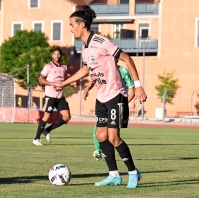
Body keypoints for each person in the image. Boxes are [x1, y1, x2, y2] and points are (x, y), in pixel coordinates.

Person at [55, 5, 147, 188]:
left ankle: (133, 172)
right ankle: (114, 175)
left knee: (114, 137)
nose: (71, 28)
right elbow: (85, 69)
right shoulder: (86, 47)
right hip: (102, 97)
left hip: (116, 94)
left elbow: (127, 58)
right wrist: (64, 83)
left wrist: (137, 86)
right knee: (101, 135)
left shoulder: (101, 42)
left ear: (82, 24)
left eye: (72, 24)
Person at [82, 64, 135, 161]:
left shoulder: (123, 71)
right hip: (104, 103)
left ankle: (131, 168)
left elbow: (132, 89)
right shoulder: (102, 69)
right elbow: (93, 80)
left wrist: (123, 103)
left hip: (118, 103)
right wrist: (86, 89)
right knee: (99, 130)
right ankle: (99, 151)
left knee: (113, 137)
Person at [32, 47, 71, 146]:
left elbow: (66, 79)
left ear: (61, 55)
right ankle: (36, 138)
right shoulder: (48, 66)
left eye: (58, 54)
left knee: (66, 117)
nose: (56, 56)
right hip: (50, 96)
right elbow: (40, 79)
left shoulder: (64, 67)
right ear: (52, 55)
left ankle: (47, 130)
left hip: (60, 96)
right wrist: (51, 84)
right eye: (55, 54)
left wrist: (70, 82)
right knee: (47, 116)